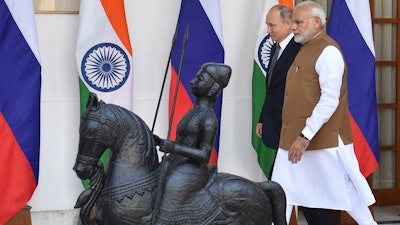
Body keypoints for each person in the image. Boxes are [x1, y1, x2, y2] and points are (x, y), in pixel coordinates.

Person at [271, 1, 378, 225]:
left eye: (299, 22)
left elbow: (329, 99)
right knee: (282, 192)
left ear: (317, 22)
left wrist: (305, 136)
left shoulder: (328, 51)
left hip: (323, 141)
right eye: (292, 23)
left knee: (347, 193)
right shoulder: (304, 49)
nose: (293, 27)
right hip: (292, 139)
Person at [155, 63, 231, 224]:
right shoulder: (194, 112)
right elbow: (186, 141)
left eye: (200, 79)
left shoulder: (208, 118)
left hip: (191, 170)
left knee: (166, 204)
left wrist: (173, 147)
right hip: (177, 163)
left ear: (212, 87)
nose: (192, 81)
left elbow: (204, 155)